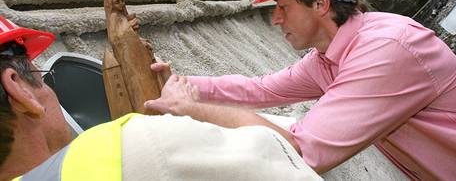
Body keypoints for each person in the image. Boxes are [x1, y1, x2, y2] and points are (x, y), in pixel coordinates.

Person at [145, 0, 456, 180]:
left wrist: (190, 109)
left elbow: (302, 152)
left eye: (283, 8)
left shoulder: (388, 50)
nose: (276, 19)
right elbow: (261, 89)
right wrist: (179, 83)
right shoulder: (328, 55)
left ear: (320, 3)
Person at [0, 15, 322, 181]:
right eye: (43, 78)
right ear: (19, 88)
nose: (277, 18)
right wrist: (188, 109)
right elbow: (291, 151)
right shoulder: (141, 146)